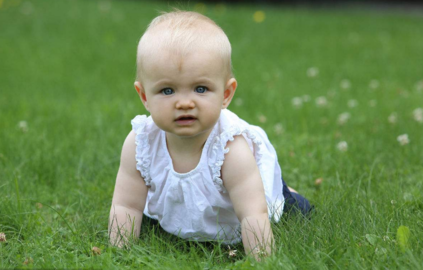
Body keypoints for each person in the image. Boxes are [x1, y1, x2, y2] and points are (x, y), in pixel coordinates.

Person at [109, 10, 311, 260]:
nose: (184, 103)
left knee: (289, 208)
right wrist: (119, 253)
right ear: (144, 97)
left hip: (245, 197)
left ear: (226, 94)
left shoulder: (230, 149)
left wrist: (261, 261)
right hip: (188, 202)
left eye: (200, 89)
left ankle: (287, 192)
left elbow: (252, 213)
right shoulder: (140, 144)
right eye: (167, 90)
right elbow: (126, 205)